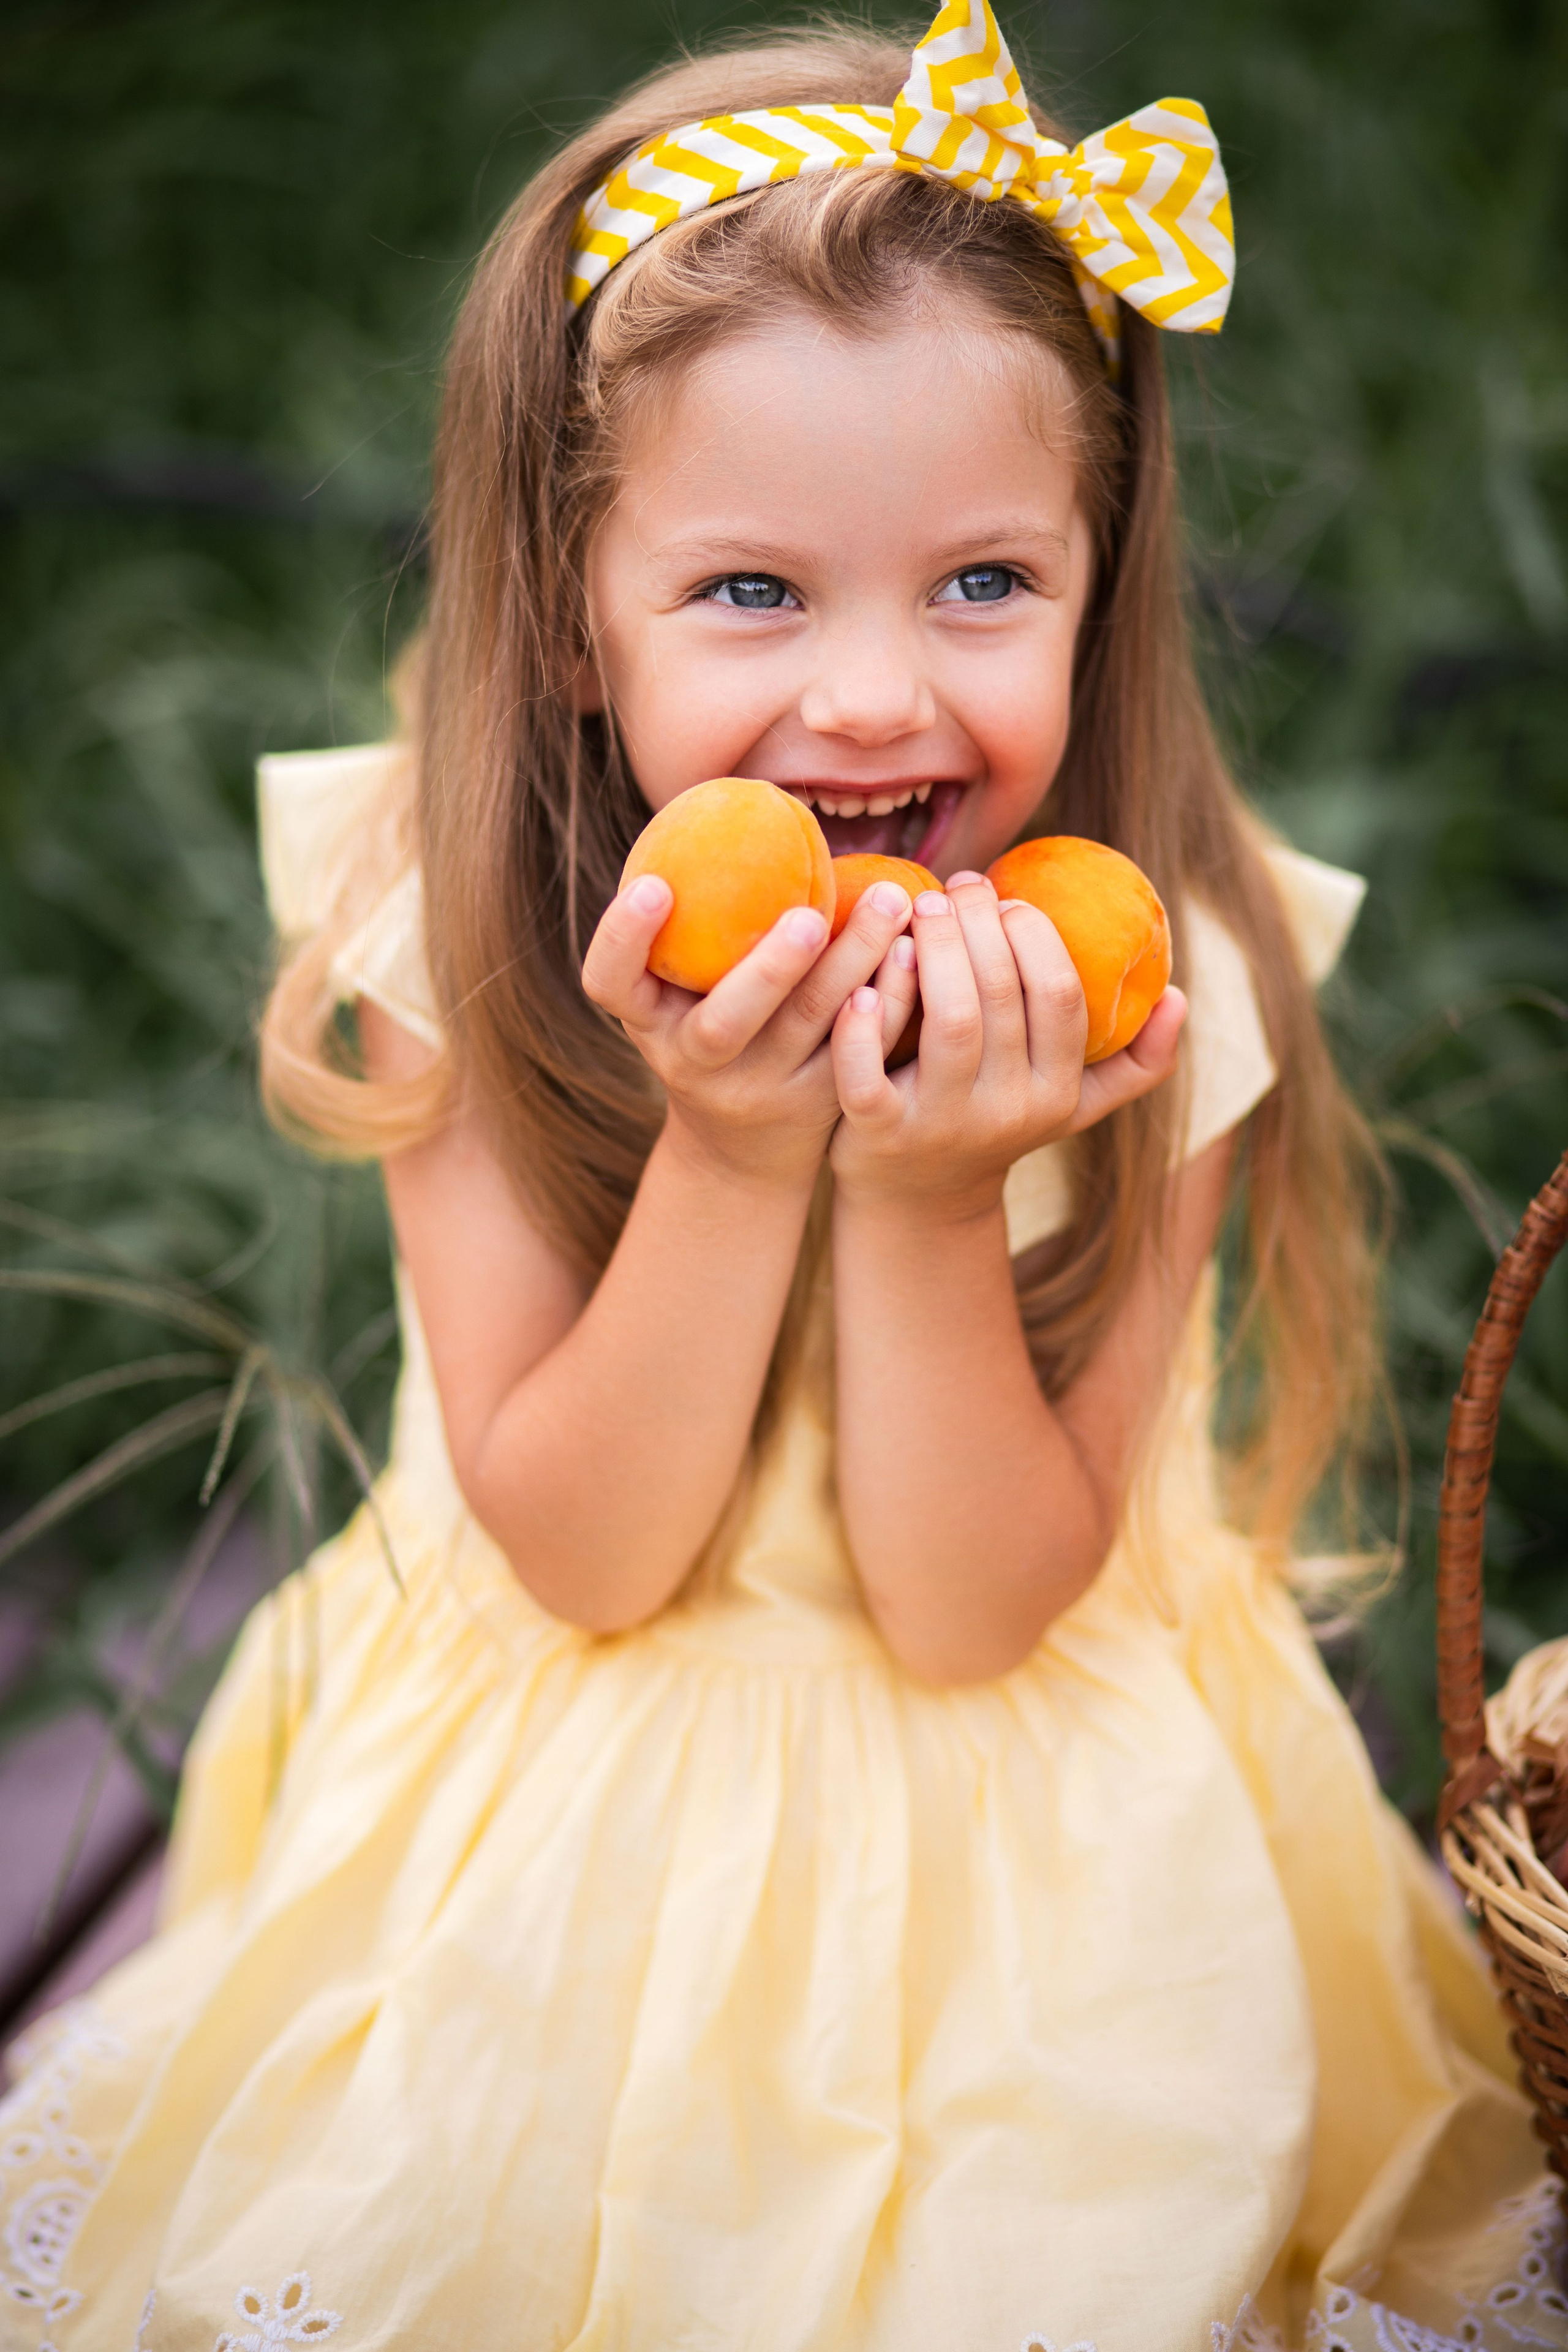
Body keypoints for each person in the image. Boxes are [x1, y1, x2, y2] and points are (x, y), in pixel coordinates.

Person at [2, 6, 1556, 2347]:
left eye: (978, 587)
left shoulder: (1159, 980)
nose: (868, 699)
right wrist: (737, 1151)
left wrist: (930, 1197)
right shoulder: (461, 928)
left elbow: (968, 1619)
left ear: (1098, 580)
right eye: (753, 594)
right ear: (570, 613)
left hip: (1038, 1862)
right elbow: (589, 1551)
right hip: (557, 1808)